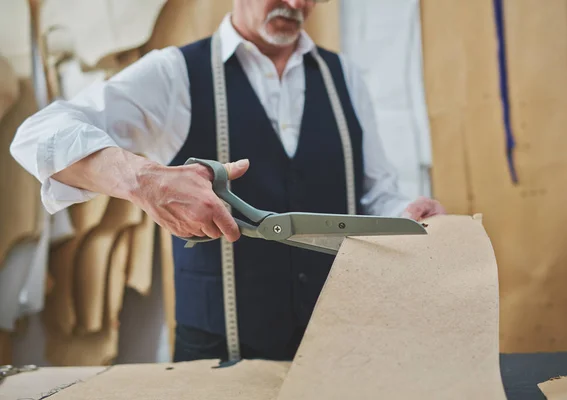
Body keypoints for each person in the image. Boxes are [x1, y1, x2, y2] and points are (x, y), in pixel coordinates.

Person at [10, 0, 445, 362]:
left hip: (337, 347)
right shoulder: (175, 73)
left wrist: (403, 212)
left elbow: (372, 192)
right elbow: (37, 136)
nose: (295, 5)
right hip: (217, 355)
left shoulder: (344, 77)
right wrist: (142, 179)